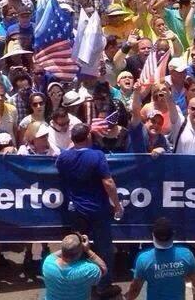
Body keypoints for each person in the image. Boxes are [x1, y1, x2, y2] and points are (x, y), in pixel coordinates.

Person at [56, 123, 124, 298]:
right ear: (88, 137)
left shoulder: (64, 158)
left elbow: (64, 160)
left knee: (76, 248)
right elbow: (108, 183)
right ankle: (103, 285)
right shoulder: (97, 156)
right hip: (98, 210)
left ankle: (77, 284)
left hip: (76, 210)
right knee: (104, 249)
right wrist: (117, 205)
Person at [125, 217, 195, 300]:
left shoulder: (143, 259)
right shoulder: (186, 254)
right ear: (173, 234)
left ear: (153, 235)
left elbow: (135, 288)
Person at [42, 233, 107, 300]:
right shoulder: (88, 270)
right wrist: (87, 250)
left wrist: (68, 246)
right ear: (80, 251)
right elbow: (103, 268)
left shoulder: (48, 263)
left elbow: (55, 255)